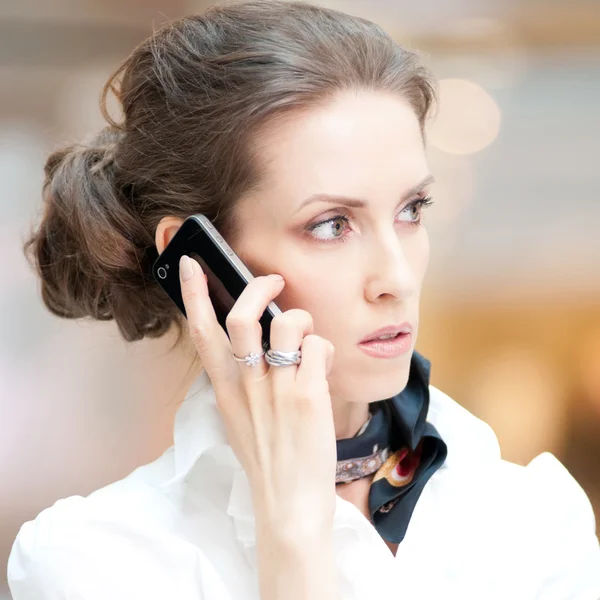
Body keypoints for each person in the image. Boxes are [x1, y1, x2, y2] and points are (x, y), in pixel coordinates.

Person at [7, 1, 600, 599]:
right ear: (202, 267)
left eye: (411, 210)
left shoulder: (535, 522)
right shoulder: (91, 560)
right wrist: (293, 535)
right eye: (330, 225)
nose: (396, 277)